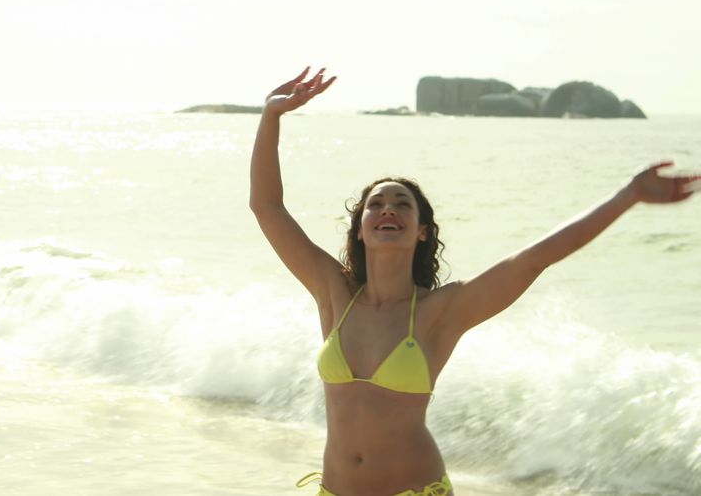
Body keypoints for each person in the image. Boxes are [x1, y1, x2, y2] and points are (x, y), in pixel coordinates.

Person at [248, 67, 700, 496]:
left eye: (402, 204)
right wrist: (271, 115)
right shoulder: (334, 294)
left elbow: (533, 260)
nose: (388, 209)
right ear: (360, 228)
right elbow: (267, 207)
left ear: (421, 230)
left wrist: (627, 197)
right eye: (376, 204)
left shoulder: (440, 311)